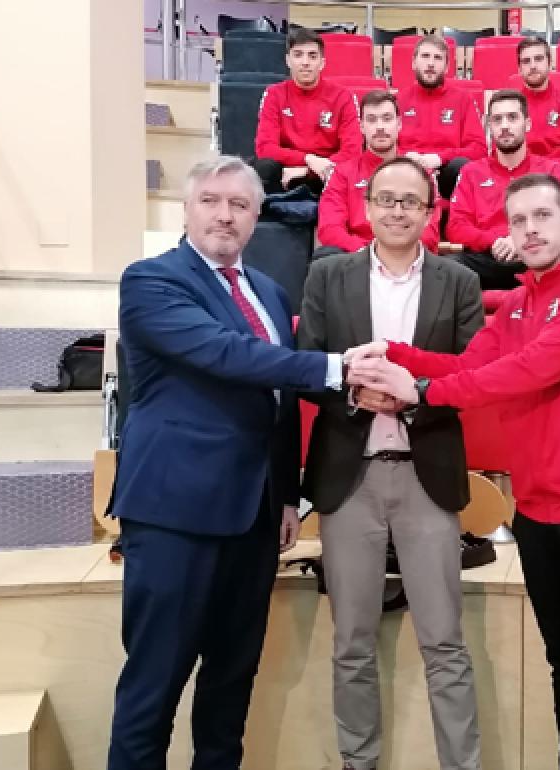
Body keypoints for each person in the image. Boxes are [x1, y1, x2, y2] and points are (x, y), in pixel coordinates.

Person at [346, 173, 560, 770]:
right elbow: (465, 366)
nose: (530, 230)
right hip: (540, 518)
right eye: (518, 220)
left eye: (542, 216)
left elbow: (532, 369)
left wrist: (421, 391)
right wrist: (391, 353)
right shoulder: (519, 304)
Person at [106, 156, 365, 769]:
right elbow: (228, 355)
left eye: (240, 205)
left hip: (253, 518)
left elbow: (278, 401)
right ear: (187, 210)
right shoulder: (151, 281)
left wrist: (286, 494)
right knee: (154, 688)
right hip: (175, 515)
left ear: (256, 217)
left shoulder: (269, 293)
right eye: (212, 201)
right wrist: (339, 368)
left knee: (230, 686)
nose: (225, 215)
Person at [298, 156, 485, 770]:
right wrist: (354, 394)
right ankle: (359, 763)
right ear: (367, 205)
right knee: (351, 643)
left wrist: (414, 395)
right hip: (348, 478)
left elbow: (474, 373)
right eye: (387, 199)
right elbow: (307, 364)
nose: (398, 211)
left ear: (430, 212)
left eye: (411, 202)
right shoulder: (329, 275)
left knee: (445, 642)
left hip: (426, 476)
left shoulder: (459, 281)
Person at [448, 89, 560, 290]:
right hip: (488, 257)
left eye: (512, 117)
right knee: (446, 268)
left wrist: (521, 240)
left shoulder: (552, 171)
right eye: (497, 119)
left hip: (538, 257)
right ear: (489, 126)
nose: (505, 126)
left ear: (527, 124)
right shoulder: (471, 172)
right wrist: (495, 241)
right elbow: (456, 226)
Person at [315, 90, 441, 261]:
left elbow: (429, 233)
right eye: (372, 119)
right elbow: (329, 229)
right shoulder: (342, 173)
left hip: (407, 258)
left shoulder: (422, 173)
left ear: (399, 124)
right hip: (358, 257)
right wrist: (370, 254)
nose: (380, 127)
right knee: (325, 256)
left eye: (387, 118)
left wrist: (390, 252)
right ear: (361, 126)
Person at [253, 27, 362, 193]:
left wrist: (308, 171)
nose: (305, 62)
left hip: (326, 171)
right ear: (288, 60)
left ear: (322, 63)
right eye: (298, 55)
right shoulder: (274, 94)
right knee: (264, 168)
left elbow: (352, 152)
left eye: (312, 56)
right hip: (286, 172)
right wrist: (308, 159)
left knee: (349, 170)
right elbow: (265, 148)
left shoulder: (343, 97)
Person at [396, 34, 487, 201]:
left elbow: (478, 149)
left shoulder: (463, 99)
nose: (431, 63)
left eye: (438, 58)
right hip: (406, 171)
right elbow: (385, 145)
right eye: (425, 56)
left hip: (447, 175)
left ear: (446, 67)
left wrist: (440, 158)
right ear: (414, 63)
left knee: (461, 166)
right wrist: (405, 155)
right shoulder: (399, 99)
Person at [515, 35, 560, 192]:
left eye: (538, 59)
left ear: (550, 63)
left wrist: (544, 170)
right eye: (526, 61)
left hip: (557, 178)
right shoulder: (511, 106)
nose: (533, 66)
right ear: (519, 69)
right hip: (518, 178)